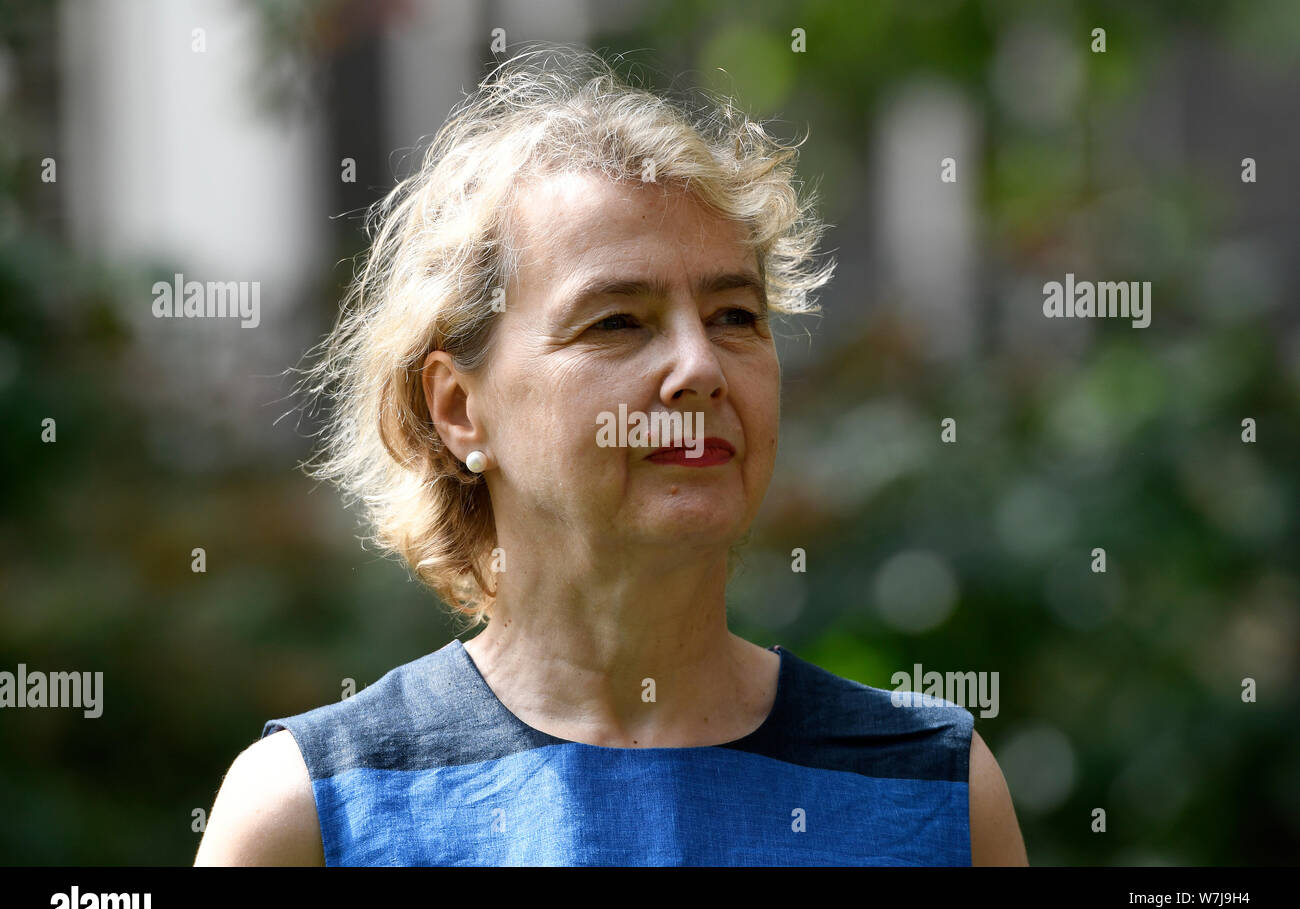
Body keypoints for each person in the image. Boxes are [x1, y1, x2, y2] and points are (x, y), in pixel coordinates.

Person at [195, 43, 1027, 866]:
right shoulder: (309, 813)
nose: (700, 369)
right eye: (618, 322)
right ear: (457, 409)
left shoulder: (933, 793)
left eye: (735, 316)